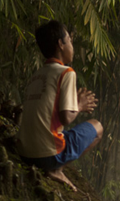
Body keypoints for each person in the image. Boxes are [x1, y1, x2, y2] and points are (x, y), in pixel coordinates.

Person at [18, 20, 103, 191]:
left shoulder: (36, 76)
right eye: (70, 40)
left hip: (25, 154)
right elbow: (66, 117)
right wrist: (79, 104)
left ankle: (56, 166)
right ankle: (58, 169)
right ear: (60, 44)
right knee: (98, 127)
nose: (72, 45)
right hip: (48, 156)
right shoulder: (66, 72)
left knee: (61, 132)